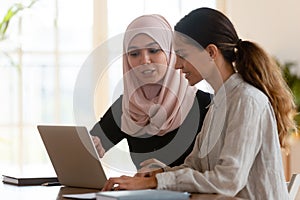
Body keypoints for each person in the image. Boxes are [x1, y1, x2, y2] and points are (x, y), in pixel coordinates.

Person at [101, 8, 297, 199]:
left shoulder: (247, 100)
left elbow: (229, 180)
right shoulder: (218, 103)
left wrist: (155, 182)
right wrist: (156, 174)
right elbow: (195, 165)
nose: (177, 64)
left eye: (182, 54)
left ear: (211, 52)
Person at [90, 14, 211, 170]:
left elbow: (217, 174)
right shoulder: (128, 106)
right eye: (134, 54)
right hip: (143, 194)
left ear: (170, 53)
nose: (144, 60)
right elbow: (91, 145)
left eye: (154, 50)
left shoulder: (206, 105)